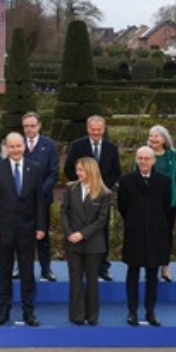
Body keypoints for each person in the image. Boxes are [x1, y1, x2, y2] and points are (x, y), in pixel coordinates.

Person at [0, 133, 46, 327]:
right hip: (3, 230)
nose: (15, 150)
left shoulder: (35, 169)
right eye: (11, 146)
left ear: (24, 147)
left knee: (27, 273)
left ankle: (29, 312)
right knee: (4, 273)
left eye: (19, 146)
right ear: (6, 147)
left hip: (28, 230)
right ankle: (3, 311)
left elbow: (40, 200)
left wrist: (40, 227)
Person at [119, 147, 172, 327]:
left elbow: (167, 207)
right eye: (140, 158)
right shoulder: (126, 181)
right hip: (134, 234)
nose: (143, 162)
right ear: (136, 159)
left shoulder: (164, 181)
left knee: (152, 275)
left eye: (147, 158)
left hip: (156, 235)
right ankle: (132, 311)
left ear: (153, 160)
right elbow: (122, 207)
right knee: (132, 273)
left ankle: (150, 312)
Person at [64, 115, 122, 281]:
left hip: (101, 197)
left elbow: (115, 171)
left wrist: (101, 189)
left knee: (102, 231)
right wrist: (83, 186)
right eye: (93, 129)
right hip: (81, 198)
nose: (96, 133)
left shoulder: (111, 148)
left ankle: (102, 268)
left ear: (104, 129)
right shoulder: (77, 146)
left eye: (99, 130)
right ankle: (82, 268)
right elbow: (69, 169)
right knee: (81, 230)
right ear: (87, 129)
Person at [60, 157, 110, 326]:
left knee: (92, 280)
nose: (78, 173)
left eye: (81, 170)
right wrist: (69, 233)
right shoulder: (70, 188)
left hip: (93, 243)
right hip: (72, 242)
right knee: (75, 279)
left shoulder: (104, 193)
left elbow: (102, 220)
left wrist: (82, 234)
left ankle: (92, 315)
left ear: (90, 171)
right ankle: (77, 315)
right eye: (77, 169)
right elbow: (64, 212)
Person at [22, 112, 60, 282]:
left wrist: (39, 192)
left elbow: (53, 173)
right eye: (26, 126)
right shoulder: (17, 144)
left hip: (42, 199)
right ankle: (21, 267)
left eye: (32, 126)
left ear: (39, 126)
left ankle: (46, 268)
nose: (29, 129)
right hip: (20, 200)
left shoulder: (49, 145)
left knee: (42, 235)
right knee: (21, 235)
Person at [148, 125, 176, 282]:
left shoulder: (173, 156)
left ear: (164, 139)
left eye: (157, 136)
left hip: (169, 204)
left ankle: (165, 267)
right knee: (150, 236)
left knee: (166, 236)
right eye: (151, 136)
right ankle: (151, 268)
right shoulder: (145, 154)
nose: (153, 139)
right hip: (149, 205)